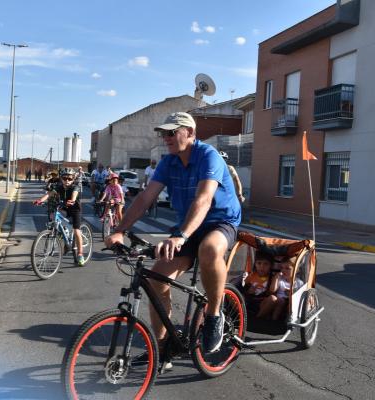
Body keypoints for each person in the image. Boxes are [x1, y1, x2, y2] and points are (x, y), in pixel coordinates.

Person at [105, 111, 241, 356]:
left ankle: (214, 315)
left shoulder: (208, 156)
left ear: (189, 133)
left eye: (171, 132)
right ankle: (162, 348)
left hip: (220, 220)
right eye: (163, 133)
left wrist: (181, 236)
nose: (165, 137)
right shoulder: (169, 161)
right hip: (187, 225)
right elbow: (146, 197)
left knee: (209, 249)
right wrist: (120, 230)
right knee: (157, 278)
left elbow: (204, 199)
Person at [33, 168, 87, 266]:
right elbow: (49, 194)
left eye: (69, 179)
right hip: (64, 208)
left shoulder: (75, 187)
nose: (67, 181)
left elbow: (74, 194)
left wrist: (73, 200)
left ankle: (80, 254)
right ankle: (64, 235)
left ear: (73, 179)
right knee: (54, 216)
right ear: (61, 179)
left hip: (75, 209)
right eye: (64, 178)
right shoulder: (59, 187)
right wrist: (40, 200)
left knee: (76, 231)